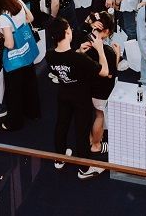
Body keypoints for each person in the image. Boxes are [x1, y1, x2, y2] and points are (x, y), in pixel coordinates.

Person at [46, 18, 107, 173]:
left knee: (61, 125)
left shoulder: (49, 55)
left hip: (63, 93)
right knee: (82, 130)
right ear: (67, 33)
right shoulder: (79, 59)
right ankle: (84, 168)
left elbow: (65, 62)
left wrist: (79, 51)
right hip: (81, 98)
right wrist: (100, 49)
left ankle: (59, 158)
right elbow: (104, 72)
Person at [0, 0, 39, 132]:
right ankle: (32, 112)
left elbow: (9, 44)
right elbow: (30, 18)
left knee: (14, 92)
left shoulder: (3, 17)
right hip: (27, 53)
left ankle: (14, 123)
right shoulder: (18, 2)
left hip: (15, 60)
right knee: (29, 84)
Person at [80, 11, 119, 178]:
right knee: (99, 115)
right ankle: (96, 144)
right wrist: (117, 55)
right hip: (101, 90)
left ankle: (91, 138)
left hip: (87, 88)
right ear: (107, 31)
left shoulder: (85, 44)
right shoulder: (107, 51)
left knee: (93, 114)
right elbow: (110, 74)